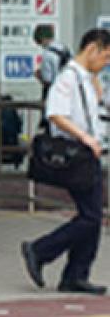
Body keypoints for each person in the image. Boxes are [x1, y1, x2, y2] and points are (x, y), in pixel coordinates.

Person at [21, 28, 110, 295]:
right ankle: (40, 250)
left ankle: (75, 274)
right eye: (105, 56)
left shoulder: (87, 79)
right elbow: (56, 114)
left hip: (90, 153)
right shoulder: (68, 78)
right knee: (92, 216)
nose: (106, 62)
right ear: (92, 48)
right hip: (78, 156)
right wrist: (86, 138)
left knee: (92, 216)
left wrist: (99, 94)